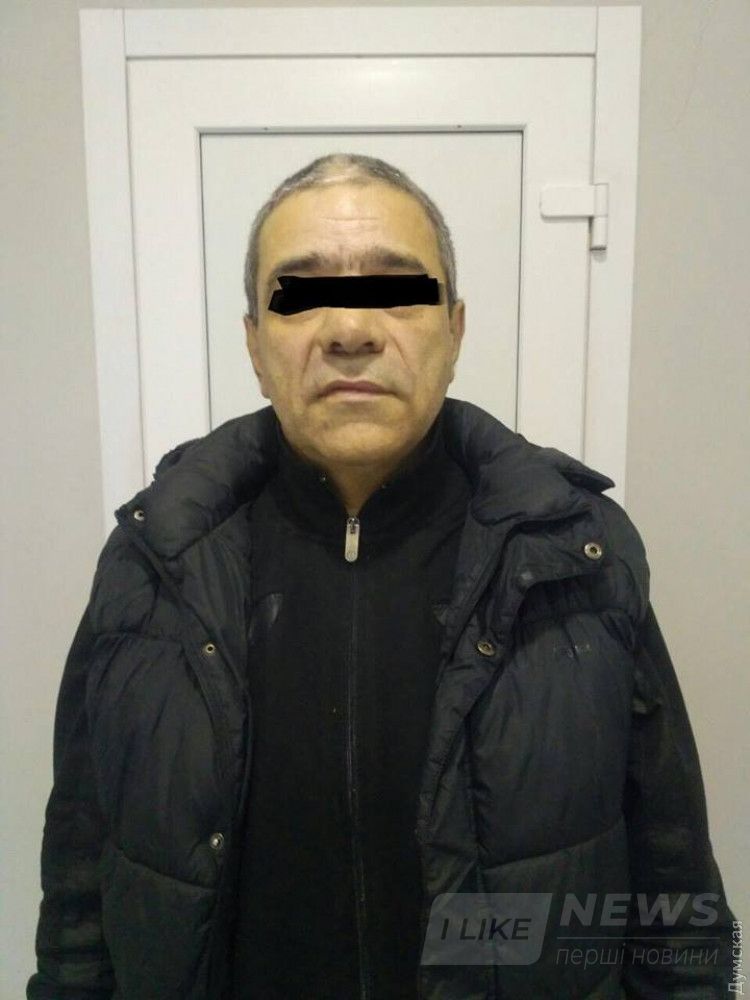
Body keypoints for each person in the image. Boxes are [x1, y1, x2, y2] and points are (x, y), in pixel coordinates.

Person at [27, 153, 736, 1000]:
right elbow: (80, 897)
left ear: (455, 331)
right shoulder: (152, 561)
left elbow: (676, 901)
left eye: (398, 291)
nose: (350, 329)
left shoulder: (577, 553)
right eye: (299, 295)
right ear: (254, 343)